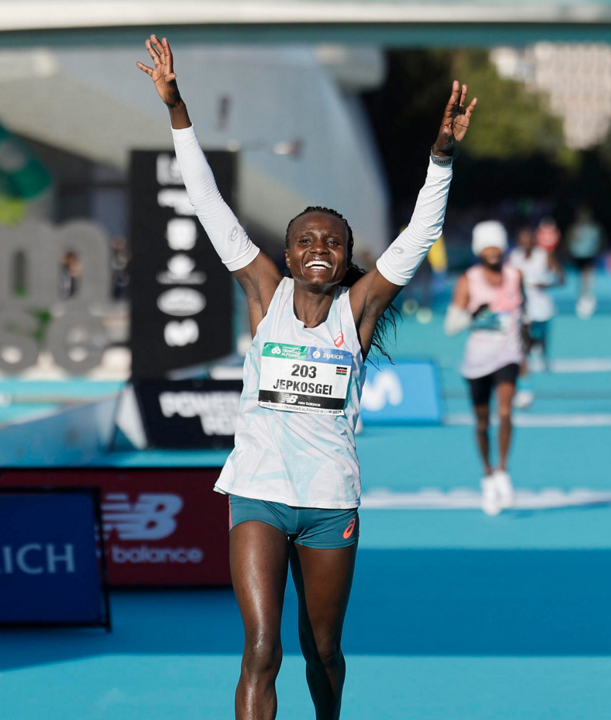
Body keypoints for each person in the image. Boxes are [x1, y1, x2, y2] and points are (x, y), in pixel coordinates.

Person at [137, 35, 475, 719]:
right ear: (287, 254)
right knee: (261, 649)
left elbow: (417, 234)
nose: (319, 248)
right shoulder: (264, 293)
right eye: (305, 241)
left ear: (347, 257)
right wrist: (178, 111)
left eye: (333, 242)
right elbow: (209, 208)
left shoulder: (360, 308)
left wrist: (441, 157)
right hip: (257, 493)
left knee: (321, 650)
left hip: (329, 501)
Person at [445, 221, 525, 516]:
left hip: (509, 356)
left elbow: (522, 316)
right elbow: (451, 326)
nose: (493, 251)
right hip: (477, 361)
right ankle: (488, 474)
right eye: (487, 246)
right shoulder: (469, 280)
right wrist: (473, 314)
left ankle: (503, 470)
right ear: (480, 250)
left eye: (497, 245)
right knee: (482, 422)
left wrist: (526, 364)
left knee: (505, 412)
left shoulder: (515, 276)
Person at [507, 221, 564, 401]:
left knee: (540, 338)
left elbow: (561, 278)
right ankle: (523, 385)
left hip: (542, 305)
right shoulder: (513, 257)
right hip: (521, 305)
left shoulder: (544, 255)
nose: (525, 242)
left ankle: (541, 354)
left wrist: (545, 283)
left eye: (528, 239)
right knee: (522, 341)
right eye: (522, 239)